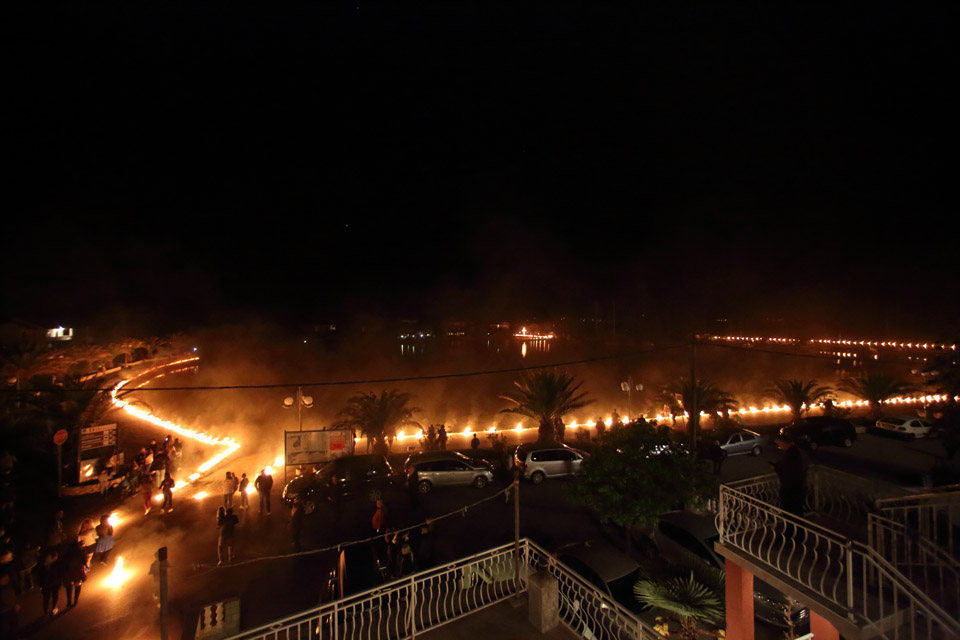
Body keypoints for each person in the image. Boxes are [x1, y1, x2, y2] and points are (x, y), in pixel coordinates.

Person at [772, 433, 807, 517]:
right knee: (797, 512)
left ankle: (792, 529)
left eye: (779, 444)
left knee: (790, 513)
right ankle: (797, 528)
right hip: (797, 487)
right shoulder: (795, 452)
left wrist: (776, 468)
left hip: (791, 490)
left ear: (784, 443)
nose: (779, 446)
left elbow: (788, 471)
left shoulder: (791, 454)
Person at [34, 549, 62, 617]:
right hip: (50, 584)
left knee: (49, 597)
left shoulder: (44, 564)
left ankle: (49, 610)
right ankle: (50, 610)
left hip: (49, 584)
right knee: (51, 597)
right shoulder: (51, 564)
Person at [61, 539, 86, 608]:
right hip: (78, 572)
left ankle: (69, 602)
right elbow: (84, 562)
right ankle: (75, 601)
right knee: (78, 585)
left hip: (69, 572)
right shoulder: (82, 552)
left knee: (69, 587)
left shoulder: (67, 553)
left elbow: (63, 563)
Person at [0, 572, 18, 639]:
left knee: (14, 627)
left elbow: (12, 595)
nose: (7, 580)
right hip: (4, 612)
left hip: (11, 610)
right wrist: (14, 605)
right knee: (6, 630)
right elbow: (5, 600)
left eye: (7, 578)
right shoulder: (2, 590)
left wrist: (16, 603)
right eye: (5, 579)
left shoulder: (8, 586)